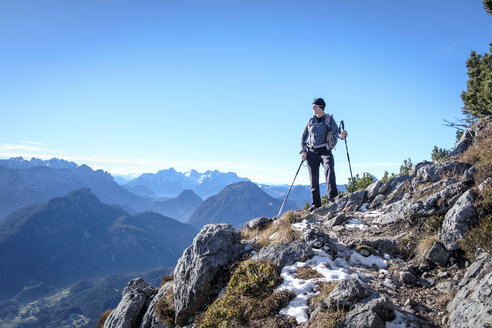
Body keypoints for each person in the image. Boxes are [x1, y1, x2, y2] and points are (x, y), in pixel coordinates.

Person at [301, 98, 347, 211]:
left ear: (321, 107)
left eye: (314, 106)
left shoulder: (329, 119)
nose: (313, 108)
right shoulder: (310, 121)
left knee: (329, 168)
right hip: (311, 152)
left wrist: (342, 135)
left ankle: (333, 197)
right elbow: (303, 137)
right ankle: (315, 205)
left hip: (325, 150)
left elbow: (337, 133)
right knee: (313, 179)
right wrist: (303, 151)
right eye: (313, 106)